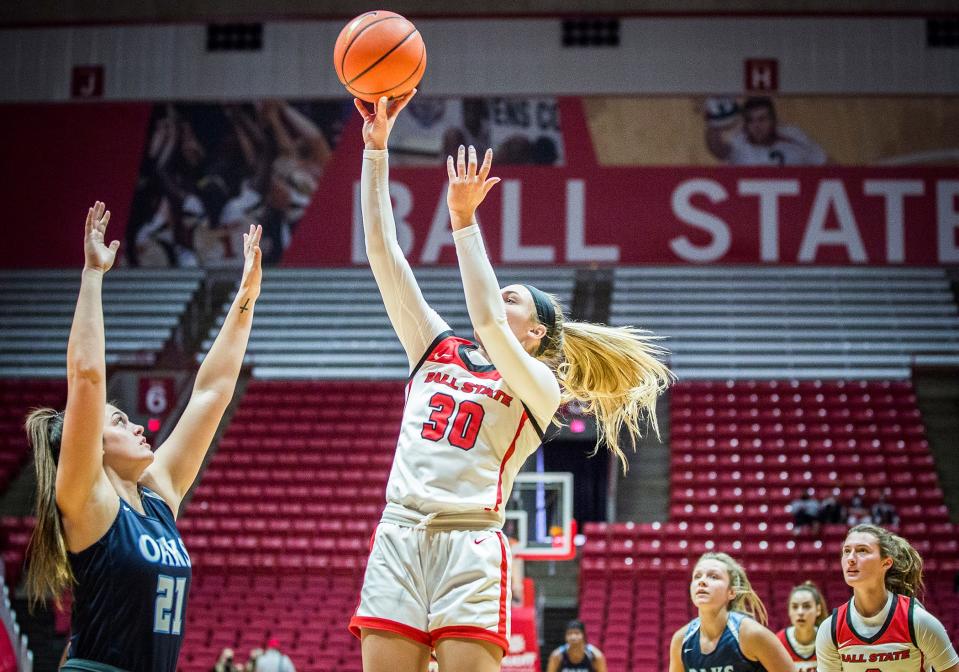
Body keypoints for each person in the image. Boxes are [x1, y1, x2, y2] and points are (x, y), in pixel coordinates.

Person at [347, 92, 672, 672]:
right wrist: (376, 151)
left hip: (469, 543)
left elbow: (489, 324)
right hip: (398, 532)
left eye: (515, 296)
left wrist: (464, 222)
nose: (503, 293)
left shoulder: (541, 388)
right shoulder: (437, 347)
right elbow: (384, 255)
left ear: (537, 335)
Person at [25, 201, 262, 671]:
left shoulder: (159, 496)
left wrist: (244, 302)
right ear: (90, 443)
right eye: (116, 422)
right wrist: (93, 274)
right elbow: (88, 376)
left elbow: (211, 394)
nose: (135, 425)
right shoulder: (86, 498)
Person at [815, 524, 959, 672]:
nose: (850, 558)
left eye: (862, 550)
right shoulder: (830, 628)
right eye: (846, 551)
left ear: (886, 562)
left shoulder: (918, 620)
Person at [668, 552, 794, 672]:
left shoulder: (753, 635)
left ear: (731, 592)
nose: (702, 581)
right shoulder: (681, 640)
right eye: (697, 576)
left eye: (713, 576)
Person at [704, 96, 827, 166]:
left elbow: (829, 166)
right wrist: (715, 125)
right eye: (750, 120)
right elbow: (718, 150)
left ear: (773, 120)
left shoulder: (794, 137)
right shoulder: (740, 140)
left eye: (762, 119)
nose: (756, 126)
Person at [775, 581, 828, 672]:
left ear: (818, 610)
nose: (800, 612)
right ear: (789, 611)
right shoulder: (778, 641)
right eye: (795, 607)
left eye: (806, 606)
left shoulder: (828, 639)